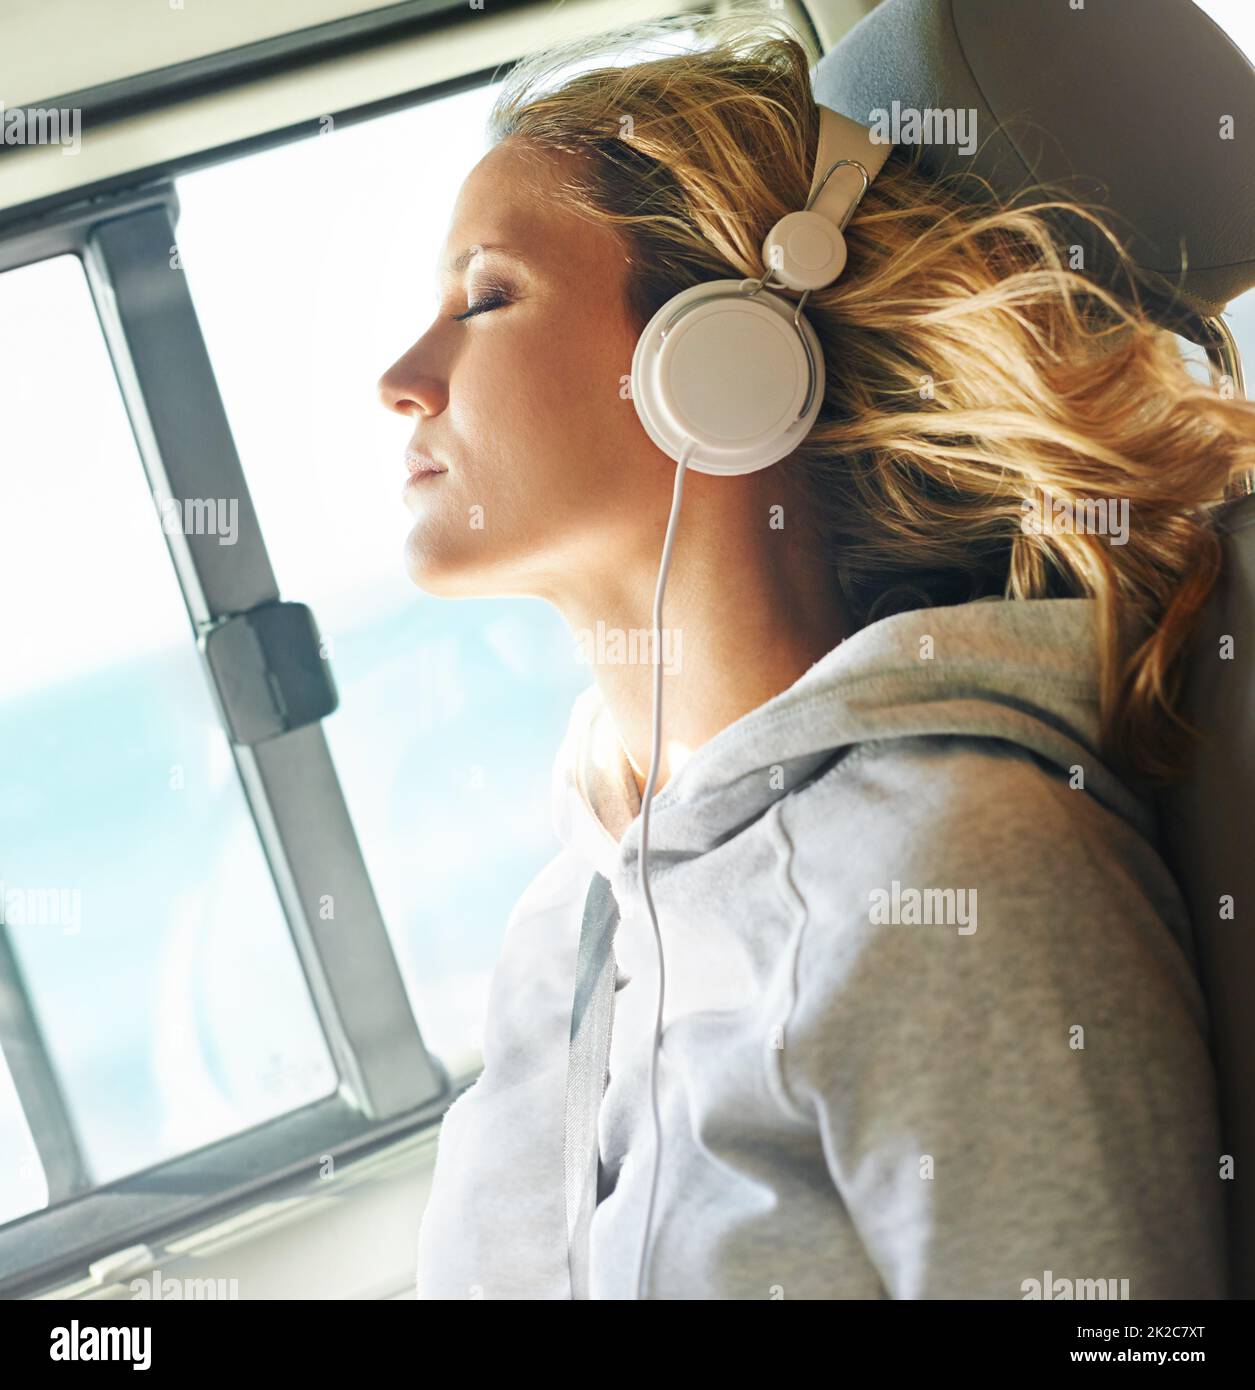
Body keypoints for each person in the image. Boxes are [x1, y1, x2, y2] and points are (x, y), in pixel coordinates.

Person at [377, 14, 1255, 1299]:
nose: (401, 378)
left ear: (723, 360)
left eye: (488, 297)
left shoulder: (951, 868)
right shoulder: (569, 922)